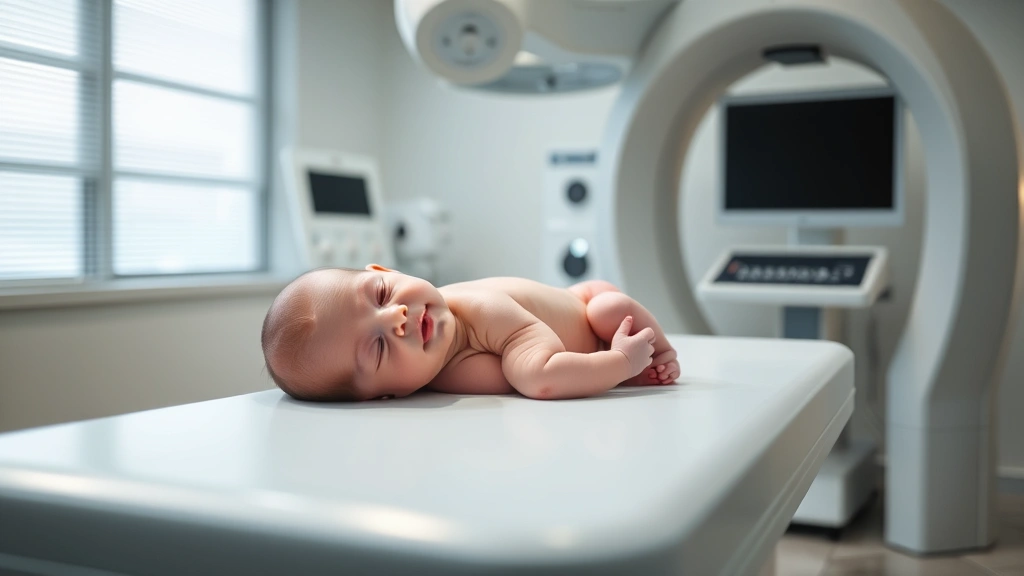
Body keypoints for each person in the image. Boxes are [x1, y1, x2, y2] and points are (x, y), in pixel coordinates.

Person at [262, 265, 680, 402]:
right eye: (377, 347)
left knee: (612, 308)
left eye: (382, 294)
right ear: (381, 395)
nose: (396, 318)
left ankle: (658, 357)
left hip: (590, 318)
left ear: (385, 271)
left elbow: (543, 376)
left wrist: (619, 360)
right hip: (575, 337)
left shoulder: (481, 313)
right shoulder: (423, 377)